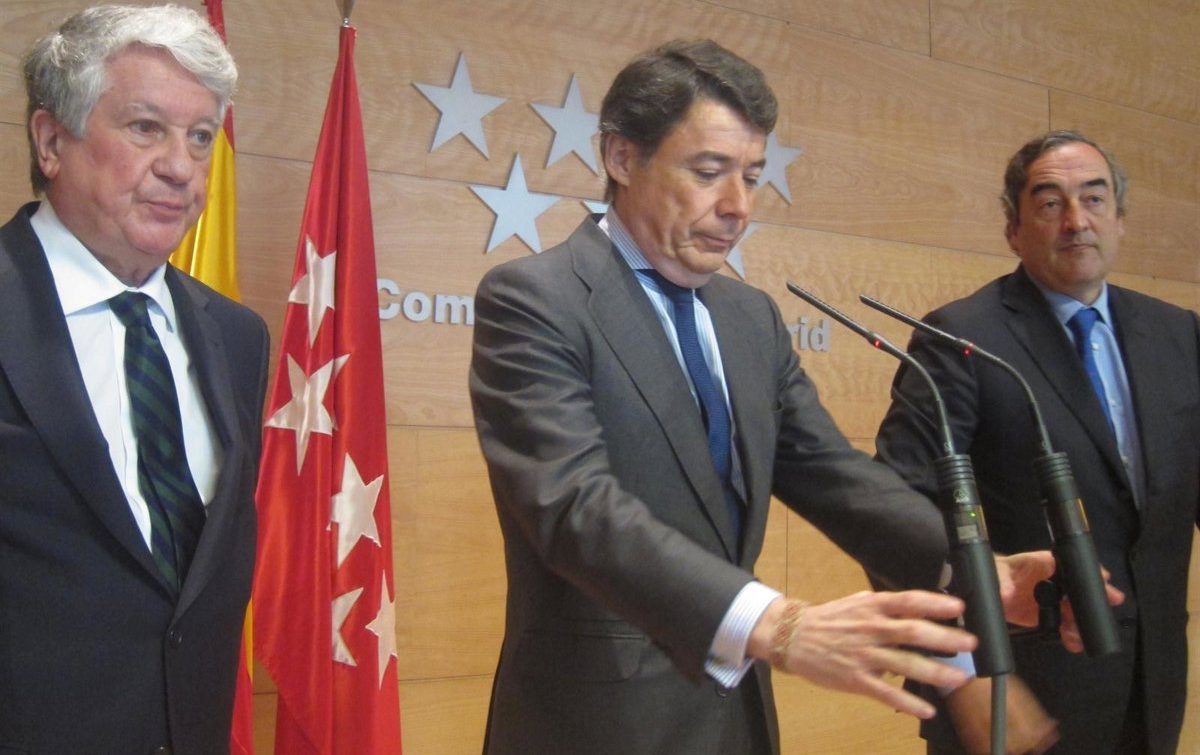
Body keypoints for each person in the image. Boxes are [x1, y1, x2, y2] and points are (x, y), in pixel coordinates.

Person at [469, 39, 1070, 755]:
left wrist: (975, 567)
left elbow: (832, 474)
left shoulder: (749, 318)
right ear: (622, 157)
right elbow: (573, 508)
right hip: (593, 724)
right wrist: (777, 624)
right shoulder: (536, 299)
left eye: (751, 176)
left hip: (735, 718)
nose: (738, 206)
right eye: (708, 172)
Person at [874, 130, 1199, 754]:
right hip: (1013, 692)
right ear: (1013, 229)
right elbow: (895, 503)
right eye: (1051, 203)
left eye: (1094, 199)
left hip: (1151, 686)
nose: (1077, 221)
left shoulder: (1178, 334)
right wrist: (956, 668)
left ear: (1120, 219)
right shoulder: (961, 338)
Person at [0, 4, 269, 753]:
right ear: (51, 141)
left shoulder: (238, 338)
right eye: (146, 127)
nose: (181, 167)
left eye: (201, 136)